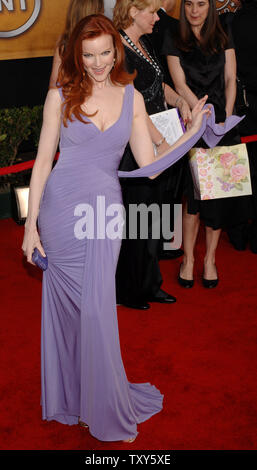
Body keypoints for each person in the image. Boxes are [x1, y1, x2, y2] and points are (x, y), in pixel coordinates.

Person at [21, 14, 218, 442]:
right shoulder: (61, 96)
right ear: (79, 54)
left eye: (104, 53)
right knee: (72, 312)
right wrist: (29, 227)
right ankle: (74, 397)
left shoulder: (131, 98)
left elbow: (149, 168)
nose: (95, 62)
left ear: (117, 52)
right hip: (61, 213)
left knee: (96, 311)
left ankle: (100, 399)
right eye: (87, 54)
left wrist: (192, 132)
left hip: (105, 214)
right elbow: (40, 164)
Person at [162, 0, 252, 288]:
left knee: (220, 197)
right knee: (195, 199)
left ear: (210, 6)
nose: (194, 10)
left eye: (201, 3)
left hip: (223, 125)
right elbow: (179, 83)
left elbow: (230, 78)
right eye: (189, 3)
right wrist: (201, 113)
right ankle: (188, 258)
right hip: (193, 125)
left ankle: (210, 259)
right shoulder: (174, 35)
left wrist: (224, 117)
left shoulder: (223, 31)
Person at [113, 0, 191, 310]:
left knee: (156, 216)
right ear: (133, 11)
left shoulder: (143, 42)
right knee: (137, 220)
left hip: (159, 139)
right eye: (153, 12)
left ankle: (150, 283)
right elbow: (130, 102)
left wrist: (180, 101)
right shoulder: (117, 49)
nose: (159, 18)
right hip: (136, 146)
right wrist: (157, 140)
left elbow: (159, 86)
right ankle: (129, 290)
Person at [227, 0, 257, 252]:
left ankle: (236, 231)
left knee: (238, 169)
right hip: (247, 104)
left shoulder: (232, 22)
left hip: (241, 106)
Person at [49, 0, 104, 88]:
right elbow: (54, 85)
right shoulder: (64, 42)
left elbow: (54, 84)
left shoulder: (65, 41)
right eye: (102, 12)